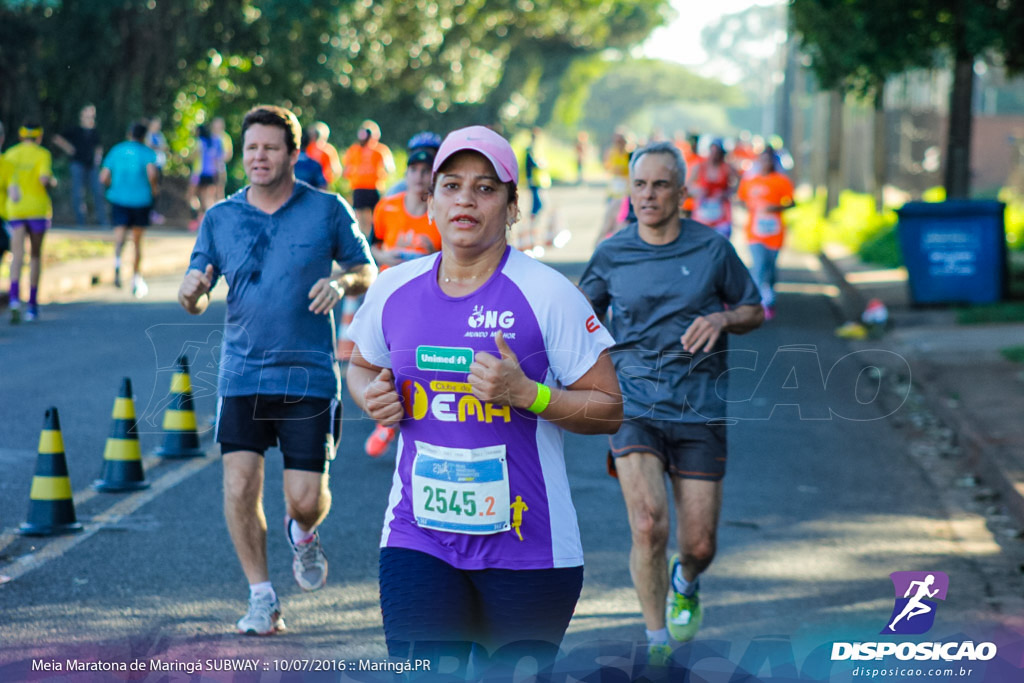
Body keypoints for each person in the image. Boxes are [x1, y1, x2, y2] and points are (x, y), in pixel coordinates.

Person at [345, 125, 622, 673]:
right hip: (417, 537)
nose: (466, 200)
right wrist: (370, 397)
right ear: (430, 201)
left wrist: (530, 394)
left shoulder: (547, 295)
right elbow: (360, 366)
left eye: (486, 188)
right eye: (451, 185)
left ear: (513, 206)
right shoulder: (393, 288)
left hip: (530, 549)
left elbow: (610, 408)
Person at [176, 105, 376, 636]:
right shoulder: (221, 218)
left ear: (292, 154)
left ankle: (302, 534)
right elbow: (197, 287)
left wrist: (341, 285)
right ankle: (262, 597)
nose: (259, 157)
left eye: (269, 148)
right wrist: (191, 295)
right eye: (251, 148)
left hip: (308, 374)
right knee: (239, 485)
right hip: (243, 373)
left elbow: (367, 269)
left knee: (305, 501)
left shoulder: (327, 211)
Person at [579, 141, 764, 664]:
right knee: (646, 524)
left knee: (699, 545)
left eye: (661, 184)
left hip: (700, 408)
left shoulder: (712, 250)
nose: (648, 195)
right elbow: (576, 317)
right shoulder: (612, 253)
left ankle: (686, 580)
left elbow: (753, 308)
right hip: (634, 405)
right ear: (629, 190)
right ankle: (658, 642)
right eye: (640, 184)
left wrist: (722, 319)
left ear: (682, 192)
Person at [361, 132, 443, 458]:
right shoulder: (388, 206)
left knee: (416, 364)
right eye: (414, 170)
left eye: (427, 171)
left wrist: (431, 253)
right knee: (389, 363)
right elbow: (372, 245)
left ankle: (420, 422)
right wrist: (387, 257)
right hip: (390, 299)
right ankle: (387, 420)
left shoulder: (442, 211)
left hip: (429, 301)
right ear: (407, 173)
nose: (420, 176)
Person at [1, 124, 57, 323]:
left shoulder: (10, 154)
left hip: (15, 210)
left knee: (17, 255)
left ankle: (15, 299)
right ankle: (32, 304)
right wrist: (52, 182)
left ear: (21, 134)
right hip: (37, 210)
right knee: (34, 256)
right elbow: (43, 179)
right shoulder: (43, 154)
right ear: (39, 136)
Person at [100, 122, 159, 297]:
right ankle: (136, 278)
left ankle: (117, 264)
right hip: (141, 200)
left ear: (129, 133)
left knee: (119, 237)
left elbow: (103, 177)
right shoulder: (147, 153)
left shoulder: (116, 150)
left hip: (118, 199)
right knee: (137, 241)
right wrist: (154, 190)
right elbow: (152, 174)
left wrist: (114, 187)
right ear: (144, 136)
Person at [737, 145, 795, 321]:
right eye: (762, 159)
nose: (765, 162)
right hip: (755, 232)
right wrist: (751, 207)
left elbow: (792, 202)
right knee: (759, 266)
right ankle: (758, 303)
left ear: (773, 162)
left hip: (775, 232)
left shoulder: (781, 181)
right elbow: (740, 200)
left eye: (769, 159)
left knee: (769, 269)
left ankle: (769, 297)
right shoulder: (750, 181)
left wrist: (775, 207)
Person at [53, 104, 105, 225]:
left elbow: (98, 147)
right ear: (82, 116)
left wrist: (98, 159)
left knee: (97, 192)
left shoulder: (94, 131)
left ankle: (103, 222)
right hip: (77, 164)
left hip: (91, 166)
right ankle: (80, 222)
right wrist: (69, 149)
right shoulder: (75, 129)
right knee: (78, 193)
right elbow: (57, 138)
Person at [341, 119, 394, 238]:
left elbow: (389, 167)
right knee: (360, 217)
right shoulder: (354, 150)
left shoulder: (380, 150)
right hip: (359, 187)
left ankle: (371, 239)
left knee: (374, 218)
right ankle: (363, 238)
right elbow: (347, 169)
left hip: (373, 187)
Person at [688, 138, 739, 239]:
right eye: (712, 151)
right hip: (702, 211)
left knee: (721, 241)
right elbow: (688, 185)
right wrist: (697, 191)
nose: (714, 155)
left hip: (721, 213)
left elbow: (739, 181)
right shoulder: (700, 167)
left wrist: (727, 193)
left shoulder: (727, 168)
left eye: (717, 152)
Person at [188, 123, 225, 230]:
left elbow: (193, 156)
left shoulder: (199, 142)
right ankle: (206, 219)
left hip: (199, 174)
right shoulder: (213, 142)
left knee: (191, 196)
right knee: (207, 198)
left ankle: (199, 217)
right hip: (211, 173)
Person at [522, 127, 550, 251]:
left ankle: (535, 228)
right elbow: (529, 165)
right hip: (533, 181)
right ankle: (532, 229)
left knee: (540, 205)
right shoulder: (530, 150)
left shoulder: (538, 149)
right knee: (537, 205)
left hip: (539, 181)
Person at [144, 117, 169, 224]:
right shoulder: (147, 135)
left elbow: (164, 147)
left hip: (159, 166)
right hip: (150, 166)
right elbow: (148, 146)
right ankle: (147, 212)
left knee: (157, 189)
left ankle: (154, 212)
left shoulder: (160, 136)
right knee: (149, 188)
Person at [305, 122, 342, 187]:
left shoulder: (328, 150)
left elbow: (335, 169)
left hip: (322, 182)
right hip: (310, 180)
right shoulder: (308, 148)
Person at [211, 116, 234, 201]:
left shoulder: (225, 137)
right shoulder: (210, 137)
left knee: (220, 189)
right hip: (208, 168)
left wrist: (219, 159)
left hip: (220, 167)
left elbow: (229, 154)